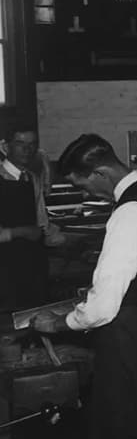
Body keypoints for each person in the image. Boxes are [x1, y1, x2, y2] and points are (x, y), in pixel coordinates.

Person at [33, 134, 137, 439]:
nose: (86, 193)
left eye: (83, 185)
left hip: (127, 341)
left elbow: (102, 308)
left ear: (100, 173)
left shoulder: (128, 213)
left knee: (119, 438)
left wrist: (58, 323)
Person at [0, 124, 63, 311]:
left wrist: (58, 237)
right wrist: (20, 232)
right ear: (6, 146)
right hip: (4, 266)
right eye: (20, 143)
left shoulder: (32, 178)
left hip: (31, 263)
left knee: (35, 312)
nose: (27, 149)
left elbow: (41, 221)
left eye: (32, 144)